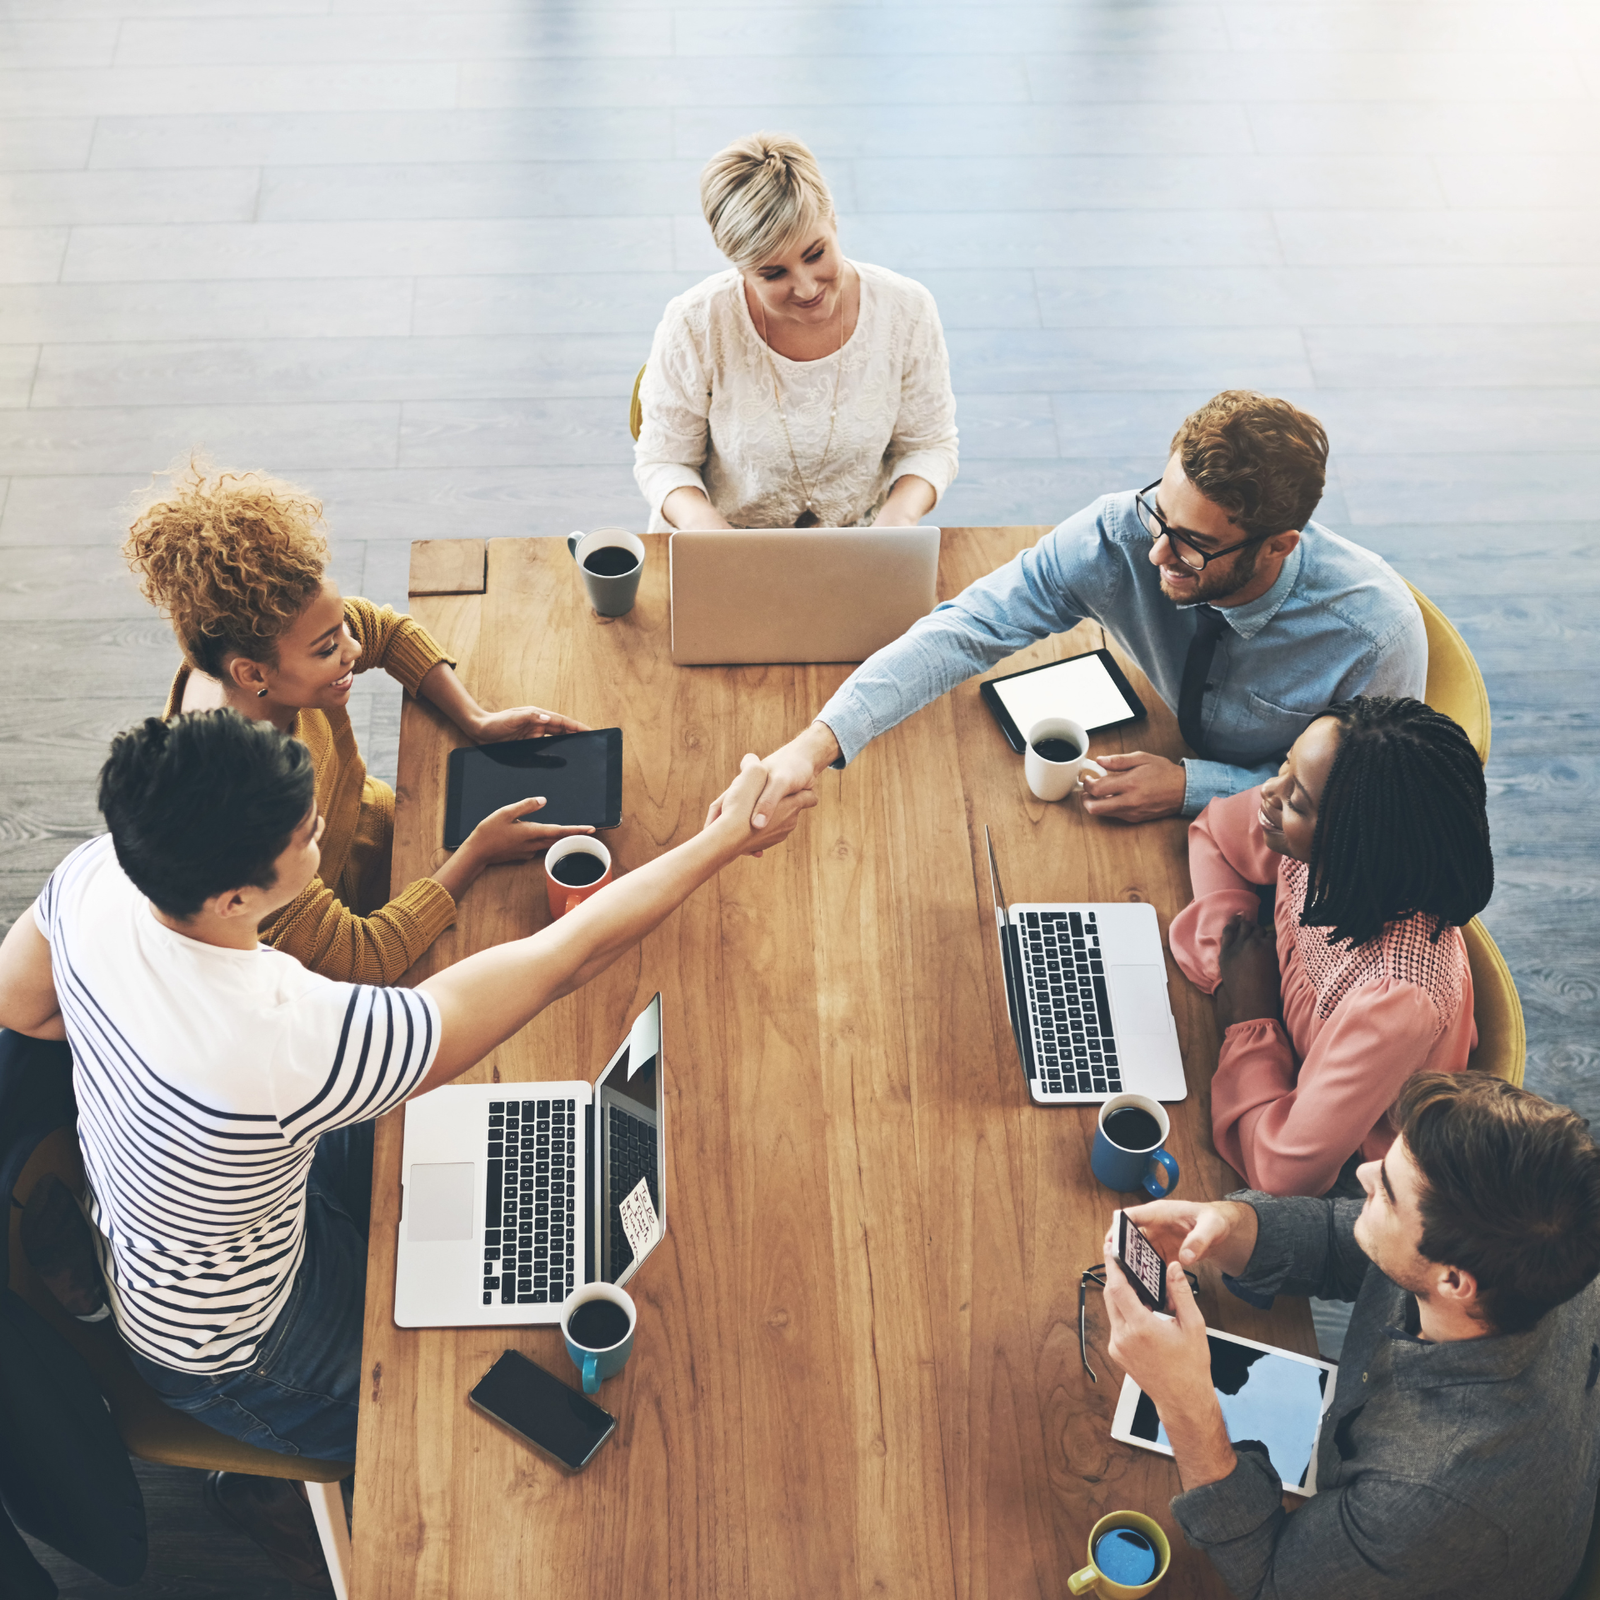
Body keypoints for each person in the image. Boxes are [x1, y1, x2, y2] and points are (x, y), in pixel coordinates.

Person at [0, 711, 813, 1580]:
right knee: (460, 1429)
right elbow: (563, 960)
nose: (320, 831)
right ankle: (257, 1491)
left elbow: (23, 1008)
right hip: (236, 1347)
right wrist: (722, 841)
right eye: (306, 833)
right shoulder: (285, 1037)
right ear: (235, 899)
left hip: (173, 1236)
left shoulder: (95, 876)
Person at [733, 391, 1427, 830]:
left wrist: (1192, 786)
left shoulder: (1373, 636)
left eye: (1193, 546)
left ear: (1278, 546)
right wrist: (817, 744)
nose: (1156, 555)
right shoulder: (1122, 531)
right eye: (1161, 511)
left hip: (1274, 841)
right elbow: (967, 628)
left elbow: (1370, 806)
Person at [1099, 1072, 1600, 1600]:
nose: (1362, 1174)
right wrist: (1227, 1223)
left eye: (1387, 1191)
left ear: (1453, 1281)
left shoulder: (1424, 1495)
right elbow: (1357, 1244)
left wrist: (1184, 1405)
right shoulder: (1535, 1252)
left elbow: (1271, 1583)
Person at [125, 462, 593, 984]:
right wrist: (477, 852)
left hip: (387, 834)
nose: (352, 648)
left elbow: (385, 630)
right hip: (338, 941)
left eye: (341, 627)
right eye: (329, 649)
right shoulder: (238, 821)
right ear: (252, 672)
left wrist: (477, 720)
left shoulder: (268, 642)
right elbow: (365, 959)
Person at [1169, 696, 1493, 1197]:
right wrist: (1230, 962)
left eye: (1297, 800)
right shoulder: (1316, 840)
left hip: (1354, 1170)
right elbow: (1215, 833)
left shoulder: (1395, 997)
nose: (1269, 792)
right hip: (1286, 1077)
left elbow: (1283, 1175)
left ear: (1360, 844)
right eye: (1286, 764)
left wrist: (1251, 1014)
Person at [633, 131, 958, 532]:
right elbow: (664, 461)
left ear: (833, 220)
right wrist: (708, 531)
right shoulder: (694, 324)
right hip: (724, 542)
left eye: (816, 253)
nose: (806, 288)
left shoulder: (907, 310)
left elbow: (929, 446)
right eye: (772, 273)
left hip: (861, 543)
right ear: (740, 267)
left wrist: (897, 519)